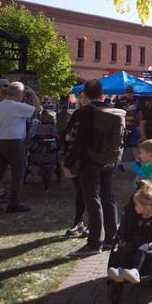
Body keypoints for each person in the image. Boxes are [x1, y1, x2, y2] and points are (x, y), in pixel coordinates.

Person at [65, 79, 123, 257]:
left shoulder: (85, 112)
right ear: (102, 93)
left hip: (90, 161)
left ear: (85, 94)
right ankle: (111, 238)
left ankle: (94, 242)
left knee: (93, 200)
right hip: (110, 160)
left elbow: (78, 141)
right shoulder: (112, 110)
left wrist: (68, 163)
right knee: (109, 199)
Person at [0, 82, 41, 214]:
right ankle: (14, 204)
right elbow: (37, 109)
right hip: (14, 142)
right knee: (18, 173)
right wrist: (32, 93)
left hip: (0, 142)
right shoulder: (16, 106)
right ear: (19, 94)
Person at [107, 180, 152, 284]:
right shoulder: (137, 218)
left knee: (141, 250)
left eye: (137, 205)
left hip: (147, 243)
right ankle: (120, 270)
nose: (134, 207)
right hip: (135, 240)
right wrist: (125, 237)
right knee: (127, 248)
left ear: (146, 207)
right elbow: (131, 229)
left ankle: (135, 271)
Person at [62, 93, 90, 238]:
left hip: (89, 159)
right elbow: (67, 135)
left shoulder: (96, 113)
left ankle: (90, 225)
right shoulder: (77, 114)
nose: (83, 100)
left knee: (90, 193)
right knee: (80, 191)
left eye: (86, 98)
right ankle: (78, 221)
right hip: (76, 158)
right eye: (82, 98)